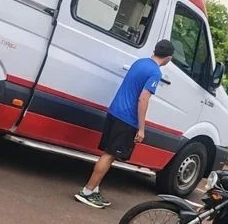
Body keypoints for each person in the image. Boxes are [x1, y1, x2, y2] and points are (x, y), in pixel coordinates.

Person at [75, 40, 175, 208]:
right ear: (169, 58)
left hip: (115, 111)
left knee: (108, 153)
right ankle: (87, 191)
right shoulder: (155, 73)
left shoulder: (139, 62)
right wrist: (141, 128)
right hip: (127, 118)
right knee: (109, 155)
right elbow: (143, 99)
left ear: (155, 50)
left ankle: (94, 189)